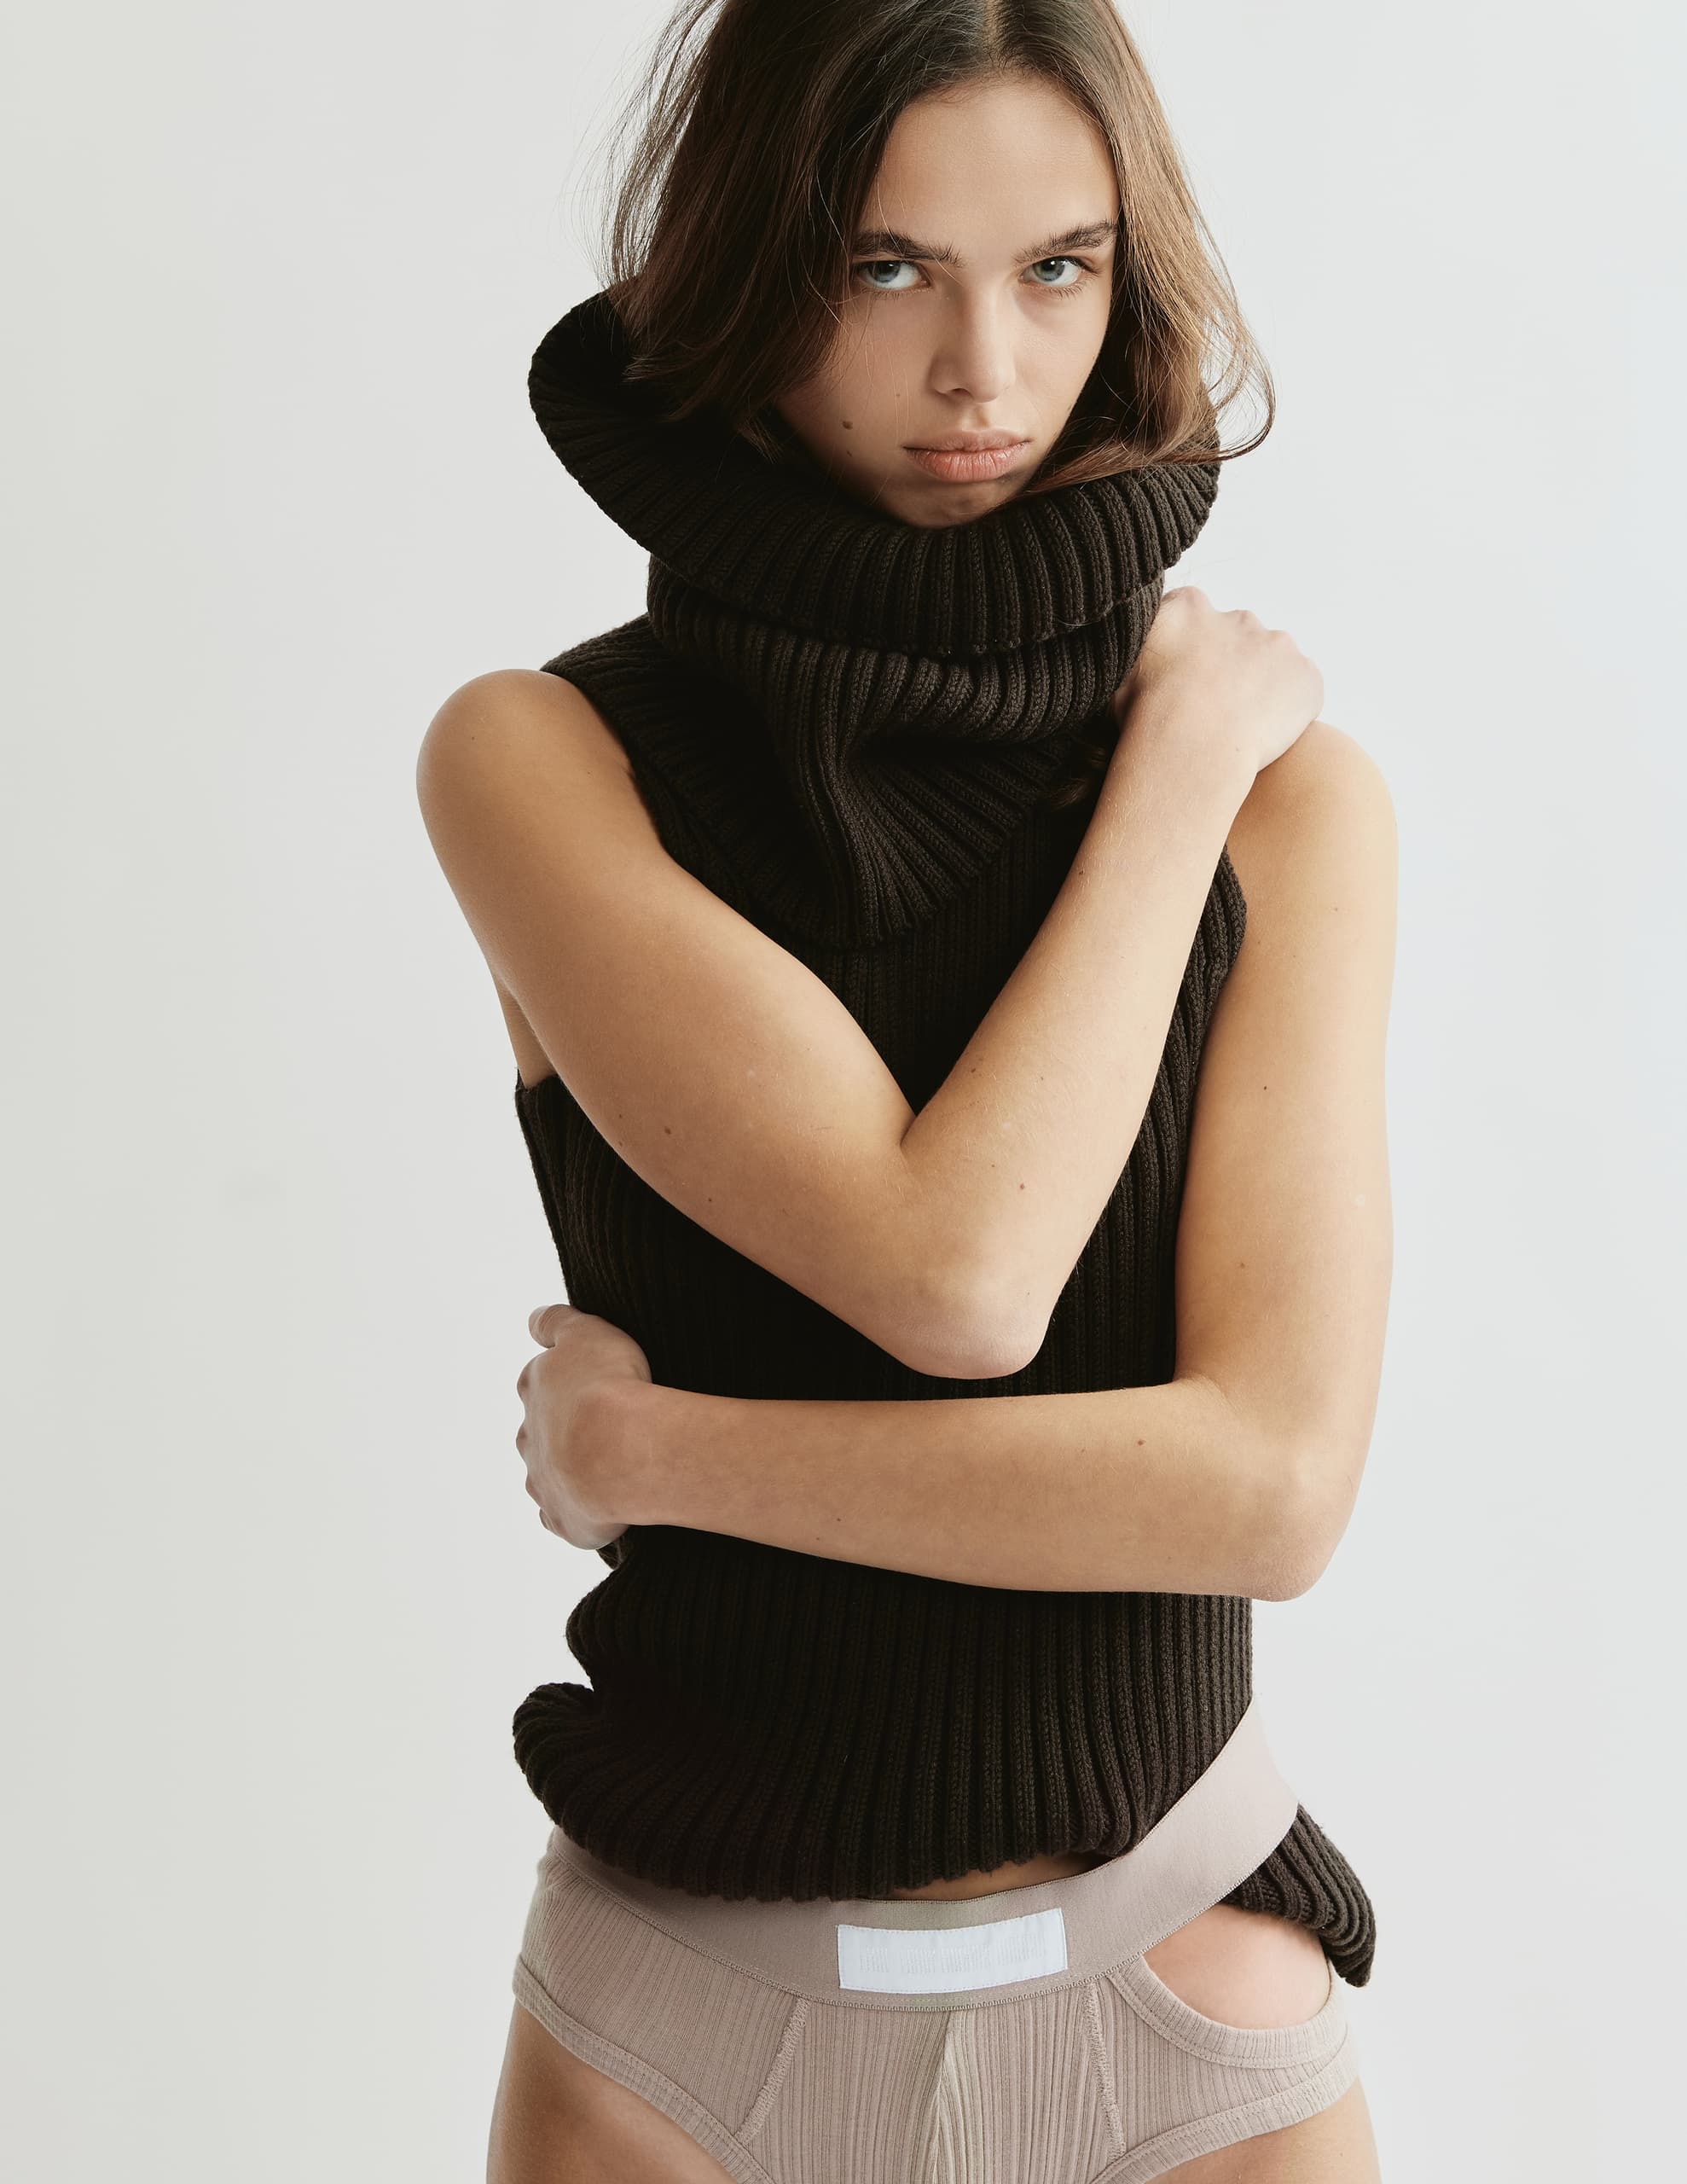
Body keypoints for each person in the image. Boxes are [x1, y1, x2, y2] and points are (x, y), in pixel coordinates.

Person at [417, 3, 1396, 2177]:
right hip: (679, 2020)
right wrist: (1160, 790)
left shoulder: (1291, 807)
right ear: (749, 269)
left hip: (1176, 1985)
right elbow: (952, 1271)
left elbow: (1266, 1489)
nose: (983, 370)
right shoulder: (547, 762)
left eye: (1055, 266)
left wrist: (658, 1448)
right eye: (886, 268)